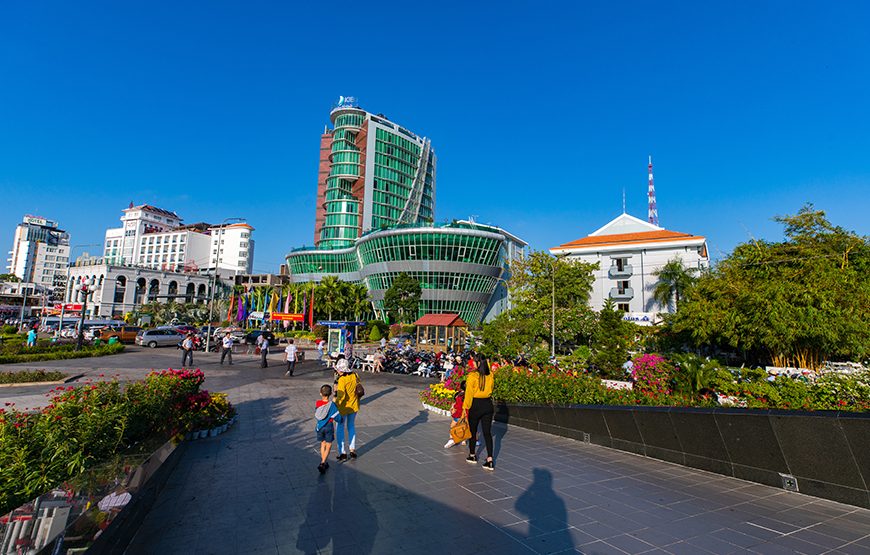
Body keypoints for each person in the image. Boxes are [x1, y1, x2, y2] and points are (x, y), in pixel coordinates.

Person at [464, 354, 495, 471]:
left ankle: (472, 455)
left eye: (474, 361)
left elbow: (469, 393)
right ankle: (490, 460)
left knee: (473, 431)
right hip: (487, 404)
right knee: (487, 433)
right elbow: (491, 389)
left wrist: (465, 407)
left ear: (478, 363)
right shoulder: (490, 375)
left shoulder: (472, 376)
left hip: (475, 405)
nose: (472, 363)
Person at [334, 358, 361, 460]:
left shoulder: (342, 380)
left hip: (343, 407)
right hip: (354, 405)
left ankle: (342, 452)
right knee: (351, 426)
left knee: (340, 428)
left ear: (341, 370)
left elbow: (341, 396)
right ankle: (352, 449)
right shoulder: (355, 375)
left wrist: (335, 404)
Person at [314, 384, 341, 474]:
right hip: (329, 426)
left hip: (320, 426)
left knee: (323, 444)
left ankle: (324, 462)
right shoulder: (332, 405)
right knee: (328, 445)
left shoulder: (318, 403)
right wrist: (340, 420)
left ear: (320, 393)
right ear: (330, 394)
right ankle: (322, 463)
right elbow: (337, 417)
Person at [444, 380, 467, 448]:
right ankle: (464, 440)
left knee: (452, 426)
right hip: (467, 415)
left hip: (459, 414)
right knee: (464, 426)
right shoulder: (470, 395)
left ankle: (452, 439)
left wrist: (453, 408)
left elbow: (457, 406)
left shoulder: (459, 396)